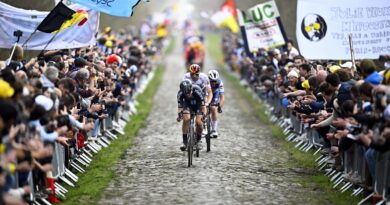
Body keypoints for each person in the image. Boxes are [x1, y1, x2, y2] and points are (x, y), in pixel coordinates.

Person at [177, 79, 205, 151]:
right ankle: (184, 142)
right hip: (187, 105)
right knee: (186, 119)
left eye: (189, 92)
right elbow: (180, 107)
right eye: (186, 93)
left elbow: (203, 106)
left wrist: (203, 115)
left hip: (198, 105)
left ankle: (198, 141)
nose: (188, 95)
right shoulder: (180, 93)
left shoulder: (197, 90)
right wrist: (179, 115)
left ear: (191, 88)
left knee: (199, 122)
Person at [207, 70, 225, 138]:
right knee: (204, 108)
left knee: (214, 108)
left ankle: (214, 130)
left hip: (215, 94)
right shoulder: (205, 81)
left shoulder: (220, 82)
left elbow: (222, 97)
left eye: (215, 81)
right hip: (207, 93)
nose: (213, 83)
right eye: (211, 81)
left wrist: (220, 107)